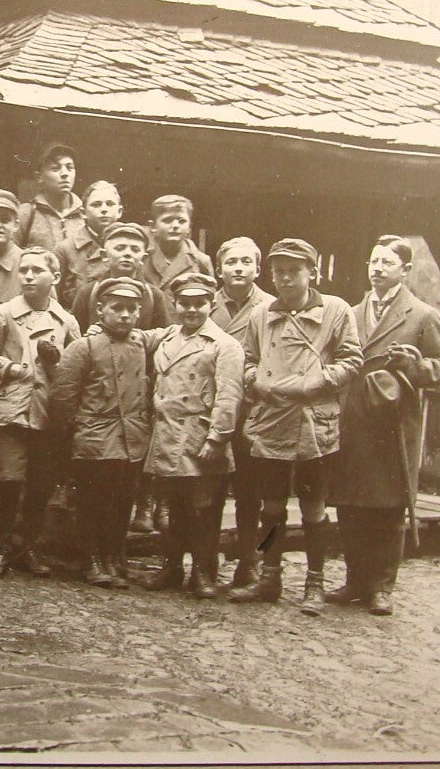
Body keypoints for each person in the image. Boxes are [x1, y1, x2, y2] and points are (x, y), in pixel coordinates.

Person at [228, 238, 362, 614]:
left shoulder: (336, 311)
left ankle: (314, 584)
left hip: (312, 425)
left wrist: (317, 381)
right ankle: (269, 578)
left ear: (312, 274)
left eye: (294, 272)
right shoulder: (260, 315)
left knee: (313, 508)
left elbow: (353, 359)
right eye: (279, 272)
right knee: (270, 507)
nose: (285, 280)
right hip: (271, 421)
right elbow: (249, 359)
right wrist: (256, 380)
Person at [330, 235, 440, 616]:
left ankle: (381, 585)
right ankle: (354, 580)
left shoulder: (422, 315)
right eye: (373, 261)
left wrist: (415, 367)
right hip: (353, 418)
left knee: (387, 507)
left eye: (386, 262)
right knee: (350, 503)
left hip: (392, 424)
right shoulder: (349, 313)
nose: (377, 269)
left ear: (405, 270)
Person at [141, 272, 244, 599]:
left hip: (200, 436)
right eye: (184, 303)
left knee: (203, 509)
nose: (192, 310)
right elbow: (140, 338)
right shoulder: (168, 337)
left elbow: (229, 395)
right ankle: (171, 567)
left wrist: (217, 438)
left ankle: (203, 571)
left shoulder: (224, 345)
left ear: (211, 304)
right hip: (168, 435)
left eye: (199, 303)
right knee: (172, 506)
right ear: (174, 304)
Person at [0, 247, 80, 579]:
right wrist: (9, 367)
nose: (28, 276)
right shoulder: (2, 314)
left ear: (56, 277)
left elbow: (76, 371)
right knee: (9, 480)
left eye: (37, 270)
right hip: (11, 409)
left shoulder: (66, 321)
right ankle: (1, 546)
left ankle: (28, 546)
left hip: (47, 413)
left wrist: (56, 360)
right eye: (23, 270)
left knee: (40, 485)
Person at [50, 277, 156, 589]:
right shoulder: (83, 347)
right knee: (92, 500)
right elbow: (63, 398)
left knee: (122, 500)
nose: (124, 315)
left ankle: (114, 554)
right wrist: (73, 436)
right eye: (117, 308)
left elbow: (169, 334)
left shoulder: (140, 345)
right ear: (100, 310)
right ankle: (92, 558)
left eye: (131, 309)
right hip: (95, 438)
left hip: (131, 438)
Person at [210, 236, 273, 591]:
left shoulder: (271, 306)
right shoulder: (203, 302)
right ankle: (204, 563)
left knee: (252, 493)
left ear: (257, 269)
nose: (238, 268)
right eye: (231, 262)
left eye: (246, 262)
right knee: (209, 489)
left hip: (254, 412)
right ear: (219, 270)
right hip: (213, 408)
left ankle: (250, 561)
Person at [68, 222, 170, 333]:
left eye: (135, 250)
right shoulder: (88, 292)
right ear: (104, 255)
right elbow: (75, 334)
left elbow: (163, 337)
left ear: (143, 258)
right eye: (120, 248)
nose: (127, 254)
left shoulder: (153, 296)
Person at [53, 180, 122, 309]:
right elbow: (53, 299)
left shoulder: (130, 248)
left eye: (110, 204)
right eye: (96, 205)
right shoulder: (65, 249)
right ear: (82, 213)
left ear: (119, 211)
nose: (104, 209)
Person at [17, 141, 84, 252]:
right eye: (56, 168)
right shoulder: (26, 214)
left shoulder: (85, 215)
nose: (65, 173)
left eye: (69, 167)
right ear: (39, 177)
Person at [141, 195, 215, 294]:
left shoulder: (201, 261)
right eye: (167, 220)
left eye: (182, 221)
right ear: (153, 226)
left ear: (189, 227)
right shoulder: (143, 258)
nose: (175, 226)